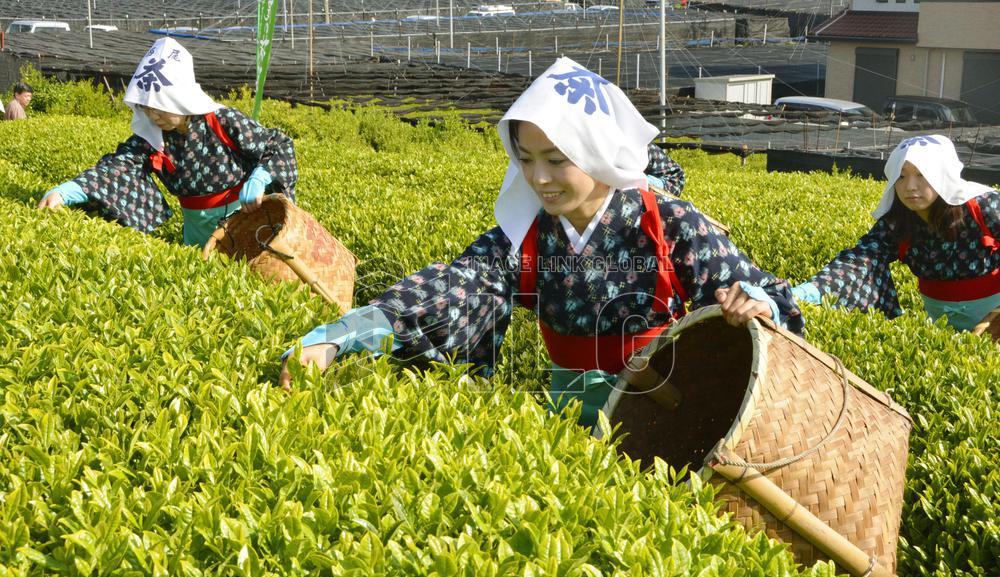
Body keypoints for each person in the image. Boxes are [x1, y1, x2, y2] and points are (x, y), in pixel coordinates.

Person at [281, 57, 803, 427]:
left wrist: (754, 305)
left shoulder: (668, 223)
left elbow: (769, 295)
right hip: (566, 421)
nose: (539, 178)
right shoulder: (526, 236)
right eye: (525, 159)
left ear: (596, 152)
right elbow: (451, 287)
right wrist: (342, 336)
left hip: (667, 418)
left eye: (556, 159)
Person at [37, 37, 297, 248]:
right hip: (198, 234)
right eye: (147, 109)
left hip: (248, 221)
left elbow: (279, 145)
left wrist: (260, 178)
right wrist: (69, 190)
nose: (153, 116)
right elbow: (118, 167)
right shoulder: (153, 138)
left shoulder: (222, 119)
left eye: (160, 107)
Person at [792, 134, 999, 331]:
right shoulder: (897, 222)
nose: (910, 187)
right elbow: (860, 260)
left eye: (921, 175)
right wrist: (802, 294)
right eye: (901, 176)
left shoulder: (982, 205)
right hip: (941, 327)